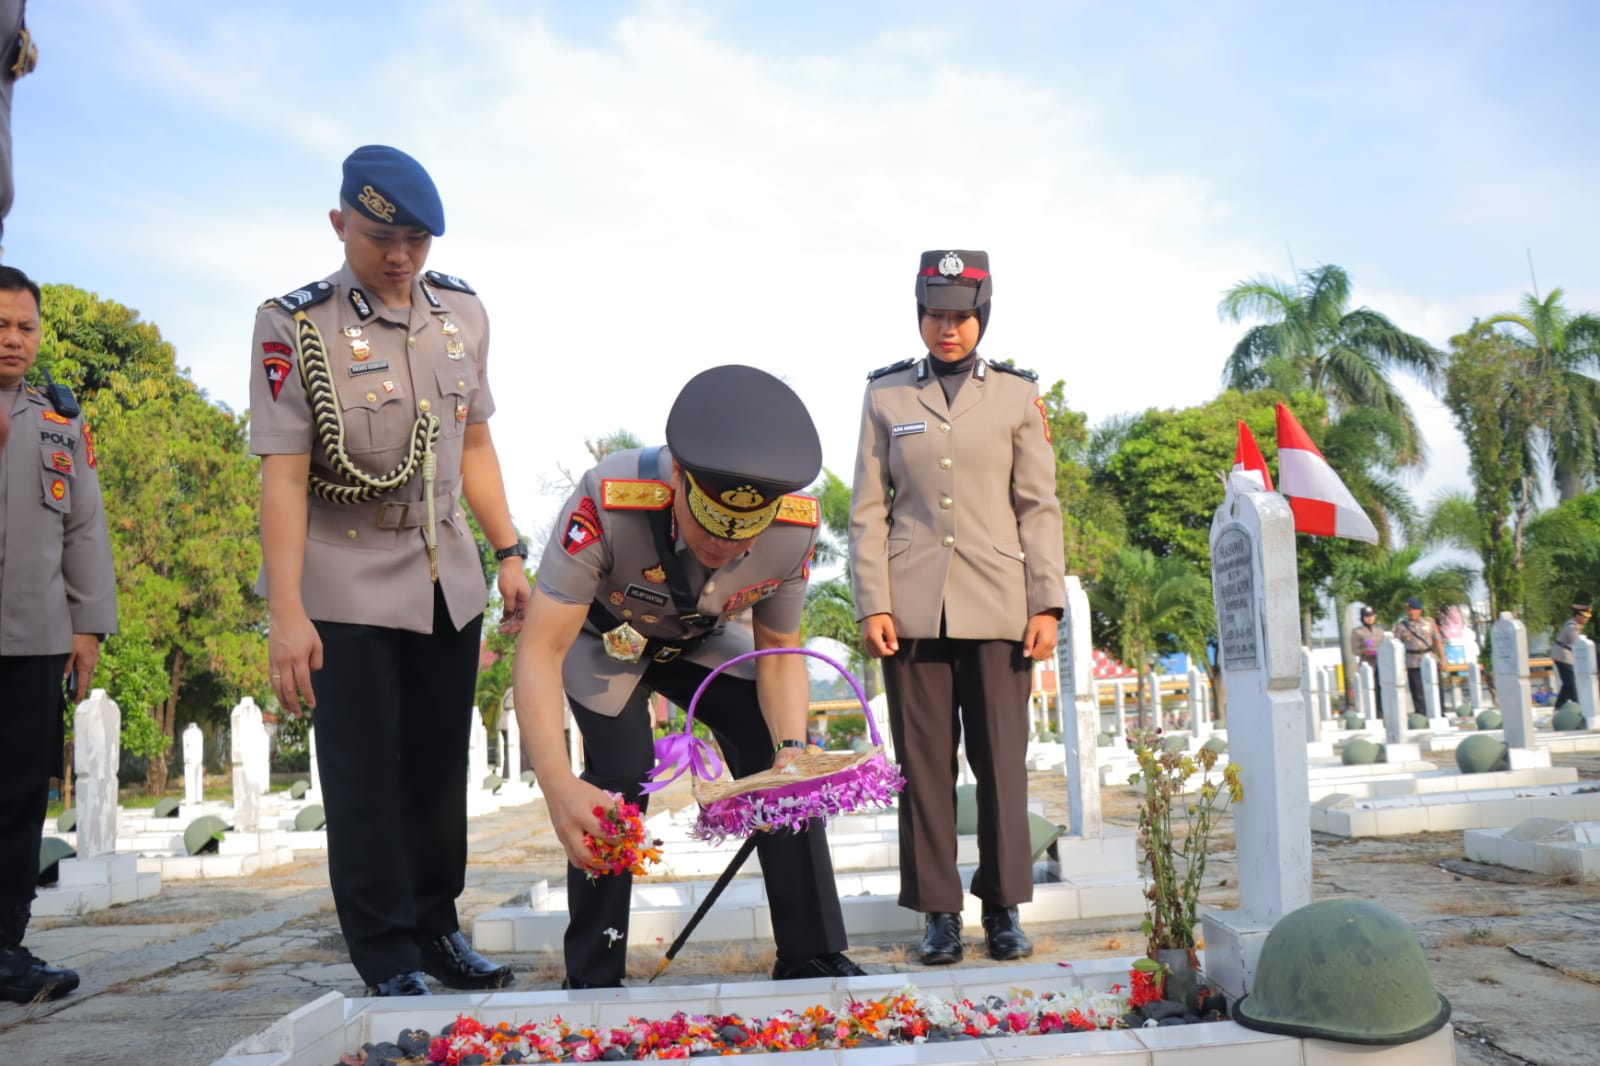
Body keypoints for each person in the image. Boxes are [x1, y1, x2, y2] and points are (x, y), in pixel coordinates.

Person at [250, 146, 530, 997]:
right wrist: (288, 613)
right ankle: (386, 955)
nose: (402, 257)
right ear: (340, 226)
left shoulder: (464, 315)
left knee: (440, 771)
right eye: (381, 238)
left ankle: (439, 930)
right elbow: (284, 475)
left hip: (447, 577)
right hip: (346, 579)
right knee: (367, 778)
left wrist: (510, 549)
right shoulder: (295, 325)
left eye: (416, 239)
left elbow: (474, 440)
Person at [512, 364, 863, 988]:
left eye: (743, 535)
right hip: (605, 640)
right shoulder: (607, 497)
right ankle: (594, 968)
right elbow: (539, 651)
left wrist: (789, 753)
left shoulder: (794, 526)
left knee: (781, 758)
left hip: (701, 639)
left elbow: (779, 647)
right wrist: (558, 786)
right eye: (709, 525)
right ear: (678, 477)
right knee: (621, 772)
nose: (725, 546)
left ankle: (809, 949)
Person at [848, 249, 1065, 966]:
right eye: (936, 315)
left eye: (961, 316)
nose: (948, 329)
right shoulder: (885, 397)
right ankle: (940, 914)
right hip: (911, 613)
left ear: (981, 318)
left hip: (1002, 607)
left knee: (1002, 762)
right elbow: (868, 512)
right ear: (920, 316)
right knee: (923, 767)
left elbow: (1038, 507)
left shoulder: (1015, 396)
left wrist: (1047, 605)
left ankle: (1002, 907)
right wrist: (873, 603)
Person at [0, 265, 116, 1002]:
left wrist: (88, 628)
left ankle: (6, 948)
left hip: (35, 639)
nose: (12, 339)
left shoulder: (58, 421)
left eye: (23, 327)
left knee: (17, 799)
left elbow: (84, 529)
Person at [1394, 597, 1443, 720]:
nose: (1412, 612)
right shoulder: (1401, 626)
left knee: (1436, 687)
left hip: (1430, 658)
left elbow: (1437, 640)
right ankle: (1421, 715)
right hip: (1413, 660)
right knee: (1417, 691)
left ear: (1420, 610)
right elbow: (1396, 645)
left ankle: (1439, 712)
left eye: (1414, 609)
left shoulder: (1429, 622)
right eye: (1409, 610)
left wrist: (1443, 658)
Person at [1550, 601, 1591, 708]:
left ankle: (1559, 706)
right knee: (1571, 683)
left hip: (1566, 656)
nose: (1587, 619)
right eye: (1584, 617)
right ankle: (1579, 706)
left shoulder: (1576, 625)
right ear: (1578, 615)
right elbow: (1577, 643)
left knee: (1567, 683)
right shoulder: (1571, 627)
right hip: (1563, 656)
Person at [1350, 606, 1386, 719]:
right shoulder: (1357, 632)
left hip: (1380, 662)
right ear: (1362, 618)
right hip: (1367, 662)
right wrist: (1363, 651)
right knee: (1370, 687)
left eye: (1371, 616)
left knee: (1381, 686)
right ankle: (1373, 712)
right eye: (1366, 616)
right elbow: (1354, 650)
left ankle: (1382, 711)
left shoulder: (1380, 630)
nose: (1369, 618)